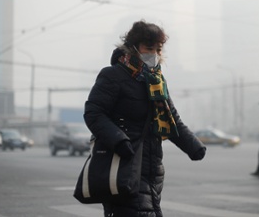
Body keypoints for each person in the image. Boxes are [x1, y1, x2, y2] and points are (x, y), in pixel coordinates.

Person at [84, 20, 206, 216]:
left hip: (152, 167)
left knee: (149, 209)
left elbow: (170, 117)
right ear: (133, 47)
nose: (155, 55)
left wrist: (193, 145)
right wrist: (119, 140)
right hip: (123, 162)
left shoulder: (156, 80)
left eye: (159, 49)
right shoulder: (113, 75)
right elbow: (94, 113)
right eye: (150, 48)